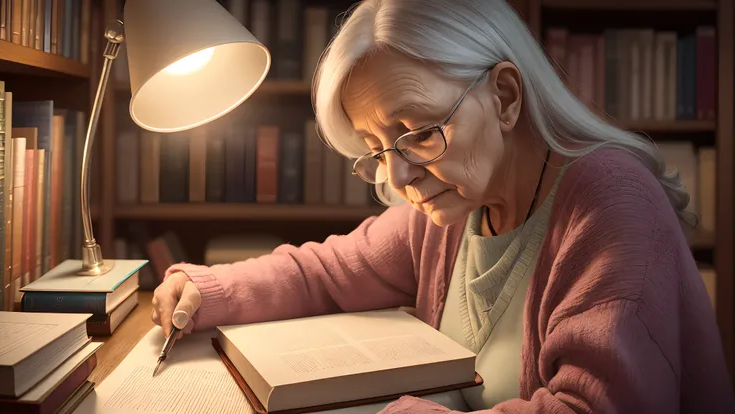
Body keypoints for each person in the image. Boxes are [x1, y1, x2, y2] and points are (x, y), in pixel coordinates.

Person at [152, 0, 735, 412]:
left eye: (418, 132)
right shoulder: (453, 208)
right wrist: (211, 289)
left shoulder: (611, 201)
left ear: (504, 96)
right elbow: (328, 273)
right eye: (377, 151)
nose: (399, 175)